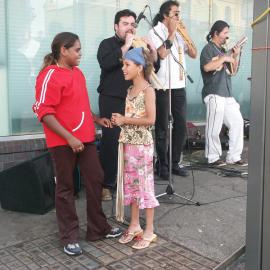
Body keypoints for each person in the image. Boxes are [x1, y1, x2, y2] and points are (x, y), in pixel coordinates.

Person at [33, 32, 122, 256]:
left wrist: (96, 119)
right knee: (66, 188)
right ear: (63, 50)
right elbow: (44, 112)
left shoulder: (78, 73)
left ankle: (97, 229)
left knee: (96, 179)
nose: (81, 54)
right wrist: (69, 138)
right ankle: (69, 236)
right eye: (77, 50)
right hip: (63, 142)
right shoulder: (49, 75)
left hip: (86, 137)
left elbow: (80, 104)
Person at [111, 47, 159, 250]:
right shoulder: (129, 90)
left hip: (142, 147)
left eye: (127, 64)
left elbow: (150, 119)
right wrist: (121, 121)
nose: (123, 68)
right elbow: (134, 119)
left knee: (145, 187)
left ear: (139, 67)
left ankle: (149, 229)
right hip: (129, 144)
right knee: (131, 186)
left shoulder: (148, 90)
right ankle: (134, 225)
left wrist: (124, 119)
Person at [148, 0, 197, 180]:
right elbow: (160, 54)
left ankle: (174, 162)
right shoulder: (154, 32)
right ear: (165, 15)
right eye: (175, 13)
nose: (178, 16)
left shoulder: (179, 34)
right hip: (161, 86)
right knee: (161, 128)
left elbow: (194, 53)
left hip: (179, 85)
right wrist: (172, 32)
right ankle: (162, 164)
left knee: (181, 126)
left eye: (179, 13)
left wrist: (185, 34)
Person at [97, 9, 137, 201]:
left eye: (132, 24)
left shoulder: (137, 46)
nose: (129, 28)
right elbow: (106, 63)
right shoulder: (107, 44)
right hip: (111, 98)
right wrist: (126, 46)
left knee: (131, 141)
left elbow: (151, 70)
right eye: (125, 24)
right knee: (111, 141)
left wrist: (153, 52)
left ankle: (127, 182)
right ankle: (106, 184)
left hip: (132, 100)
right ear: (116, 26)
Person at [200, 20, 247, 166]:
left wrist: (235, 55)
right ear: (216, 33)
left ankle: (233, 156)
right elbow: (207, 67)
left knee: (238, 122)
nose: (227, 36)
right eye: (225, 32)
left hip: (227, 93)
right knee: (214, 126)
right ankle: (213, 157)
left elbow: (232, 72)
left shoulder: (222, 50)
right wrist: (224, 57)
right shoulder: (208, 49)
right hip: (213, 92)